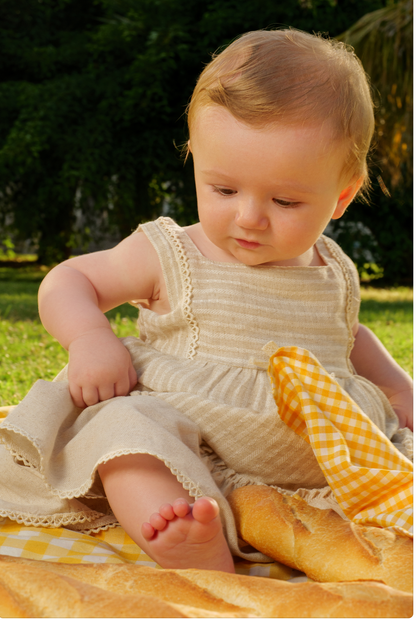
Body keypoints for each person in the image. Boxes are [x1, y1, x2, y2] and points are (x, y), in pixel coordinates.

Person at [0, 29, 412, 574]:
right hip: (189, 442)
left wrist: (400, 393)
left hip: (306, 462)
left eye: (285, 200)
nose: (249, 216)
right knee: (123, 432)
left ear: (341, 195)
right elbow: (71, 280)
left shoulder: (333, 267)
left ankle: (290, 524)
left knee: (391, 453)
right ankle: (183, 532)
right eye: (224, 190)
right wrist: (90, 338)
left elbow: (348, 334)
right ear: (195, 159)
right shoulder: (171, 252)